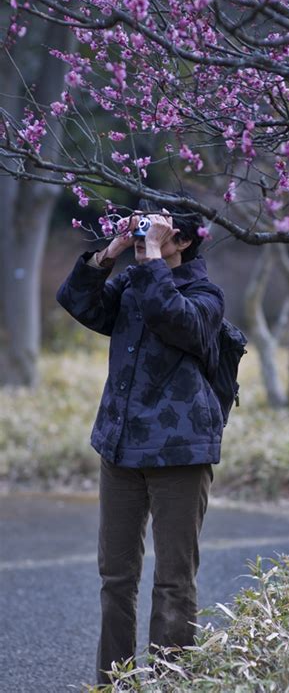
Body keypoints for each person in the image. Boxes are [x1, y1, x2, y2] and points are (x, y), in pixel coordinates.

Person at [56, 199, 225, 685]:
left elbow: (173, 317)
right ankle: (113, 682)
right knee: (116, 579)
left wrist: (149, 255)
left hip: (179, 453)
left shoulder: (205, 295)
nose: (149, 234)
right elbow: (80, 302)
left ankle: (172, 681)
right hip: (120, 447)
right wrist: (111, 252)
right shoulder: (132, 282)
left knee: (173, 584)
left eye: (163, 230)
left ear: (185, 241)